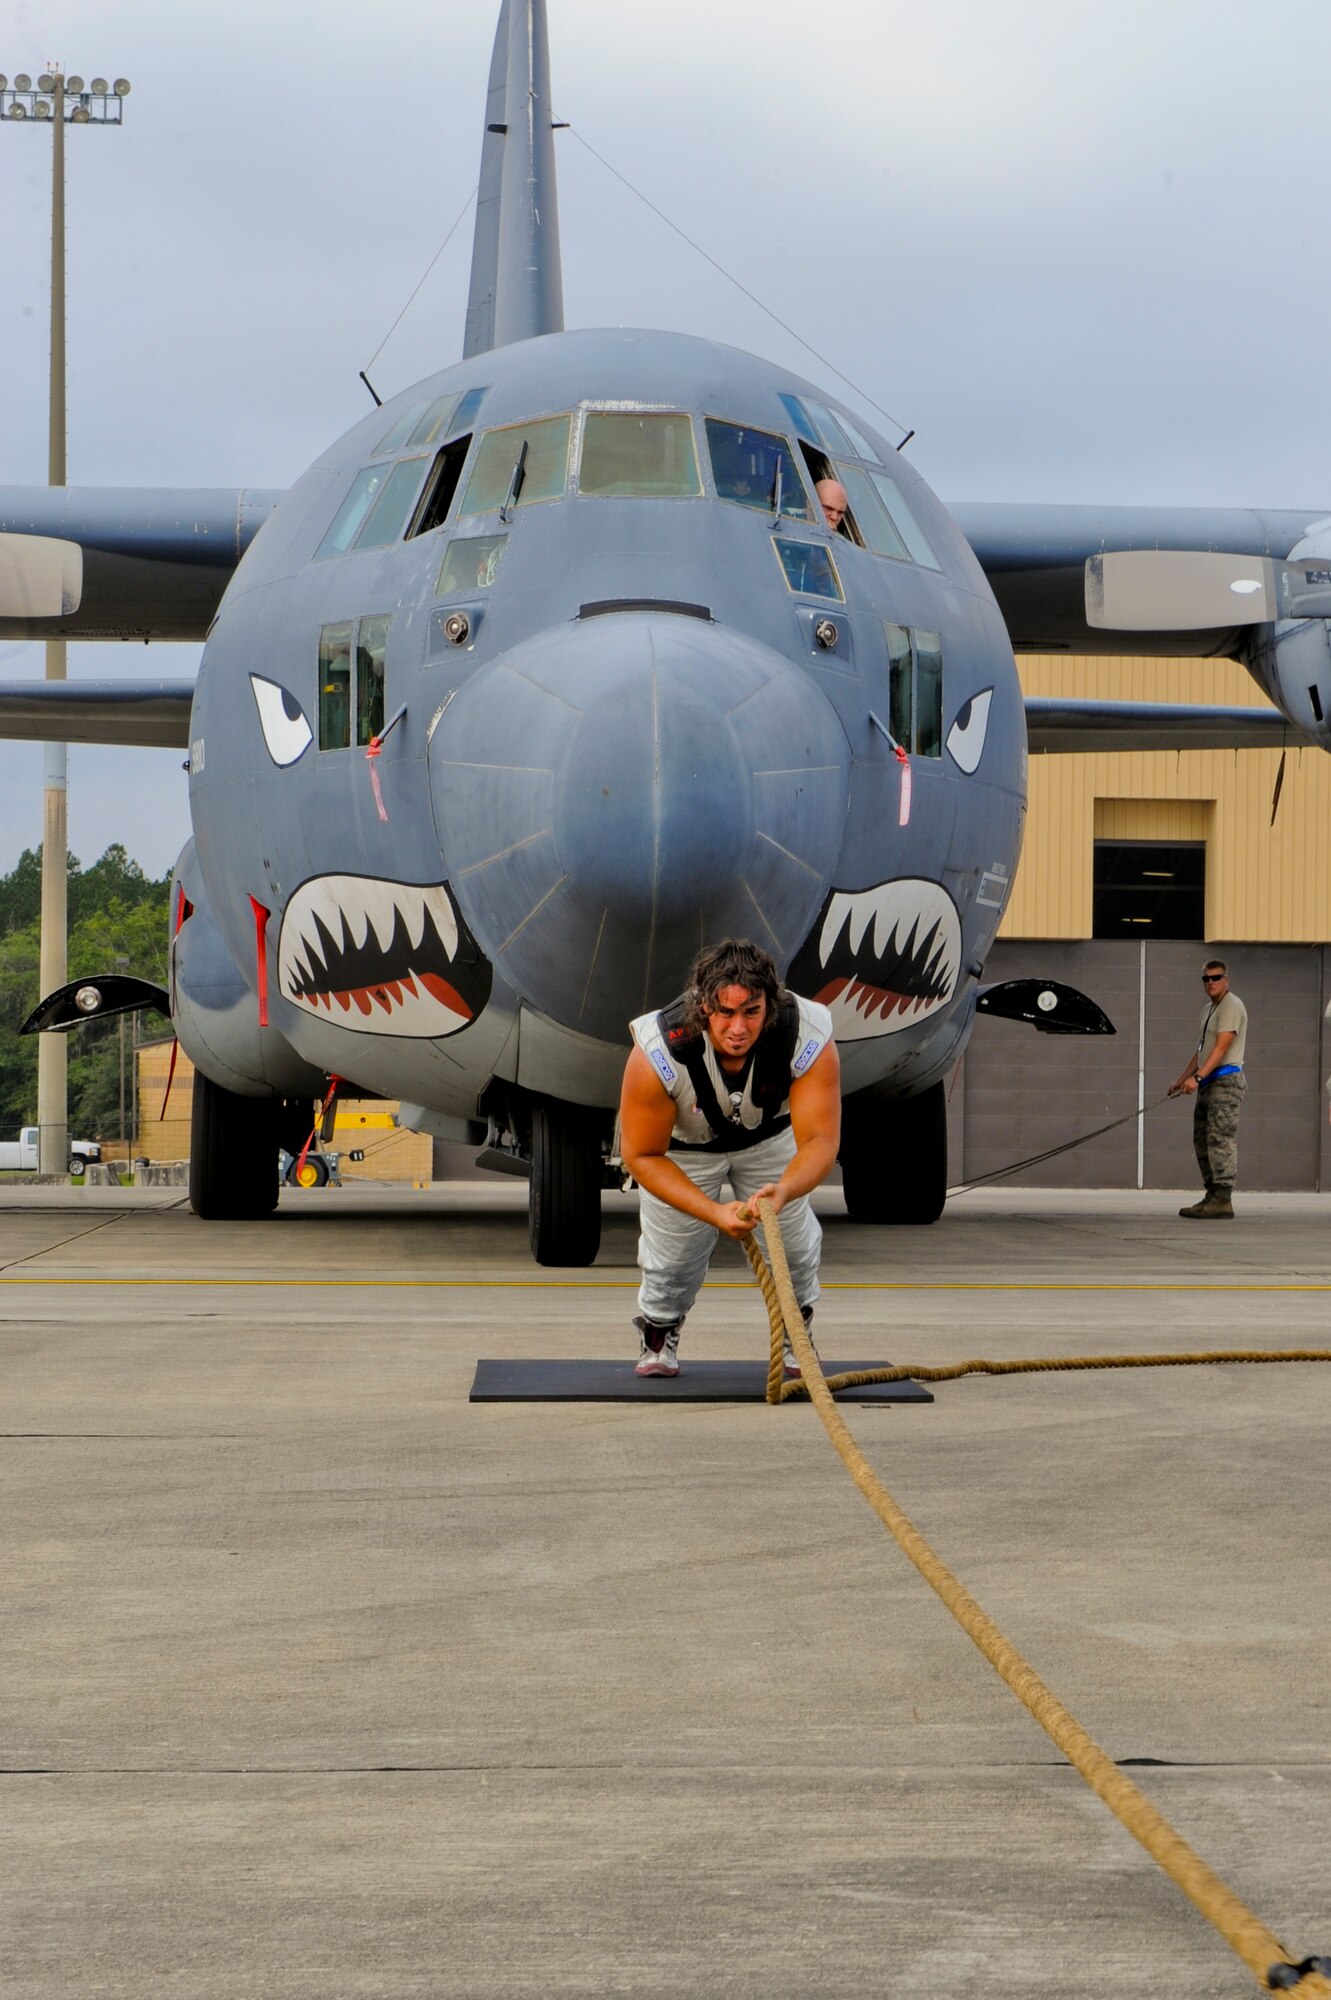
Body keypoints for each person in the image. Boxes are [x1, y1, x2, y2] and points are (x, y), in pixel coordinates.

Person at [619, 938, 841, 1378]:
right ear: (704, 1007)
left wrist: (787, 1190)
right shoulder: (658, 1050)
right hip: (684, 1150)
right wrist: (713, 1213)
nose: (738, 1028)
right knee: (673, 1258)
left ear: (769, 1006)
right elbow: (641, 1155)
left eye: (751, 1012)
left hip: (769, 1141)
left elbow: (819, 1140)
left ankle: (798, 1333)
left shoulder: (807, 1033)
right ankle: (659, 1330)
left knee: (794, 1247)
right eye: (725, 1012)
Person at [1168, 959, 1247, 1219]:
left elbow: (1221, 1048)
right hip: (1208, 1081)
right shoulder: (1208, 1010)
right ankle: (1211, 1195)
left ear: (1227, 979)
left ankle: (1223, 1198)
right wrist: (1183, 1078)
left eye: (1216, 977)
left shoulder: (1231, 1006)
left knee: (1219, 1138)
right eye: (1206, 979)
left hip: (1224, 1081)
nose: (1210, 983)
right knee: (1202, 1139)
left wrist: (1198, 1078)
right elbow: (1203, 1051)